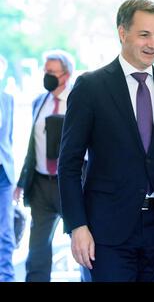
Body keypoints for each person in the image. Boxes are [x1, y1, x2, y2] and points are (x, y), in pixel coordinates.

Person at [58, 0, 154, 282]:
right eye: (144, 34)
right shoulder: (90, 88)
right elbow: (69, 165)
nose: (153, 43)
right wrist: (77, 226)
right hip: (107, 232)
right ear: (122, 33)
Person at [13, 49, 75, 282]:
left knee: (83, 246)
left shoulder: (78, 102)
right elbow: (32, 146)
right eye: (44, 71)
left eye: (51, 72)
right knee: (37, 250)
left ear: (66, 75)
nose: (45, 76)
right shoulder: (39, 101)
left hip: (70, 186)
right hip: (40, 185)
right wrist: (21, 182)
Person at [0, 54, 15, 282]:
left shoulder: (7, 100)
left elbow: (8, 139)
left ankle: (6, 277)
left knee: (5, 234)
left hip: (3, 172)